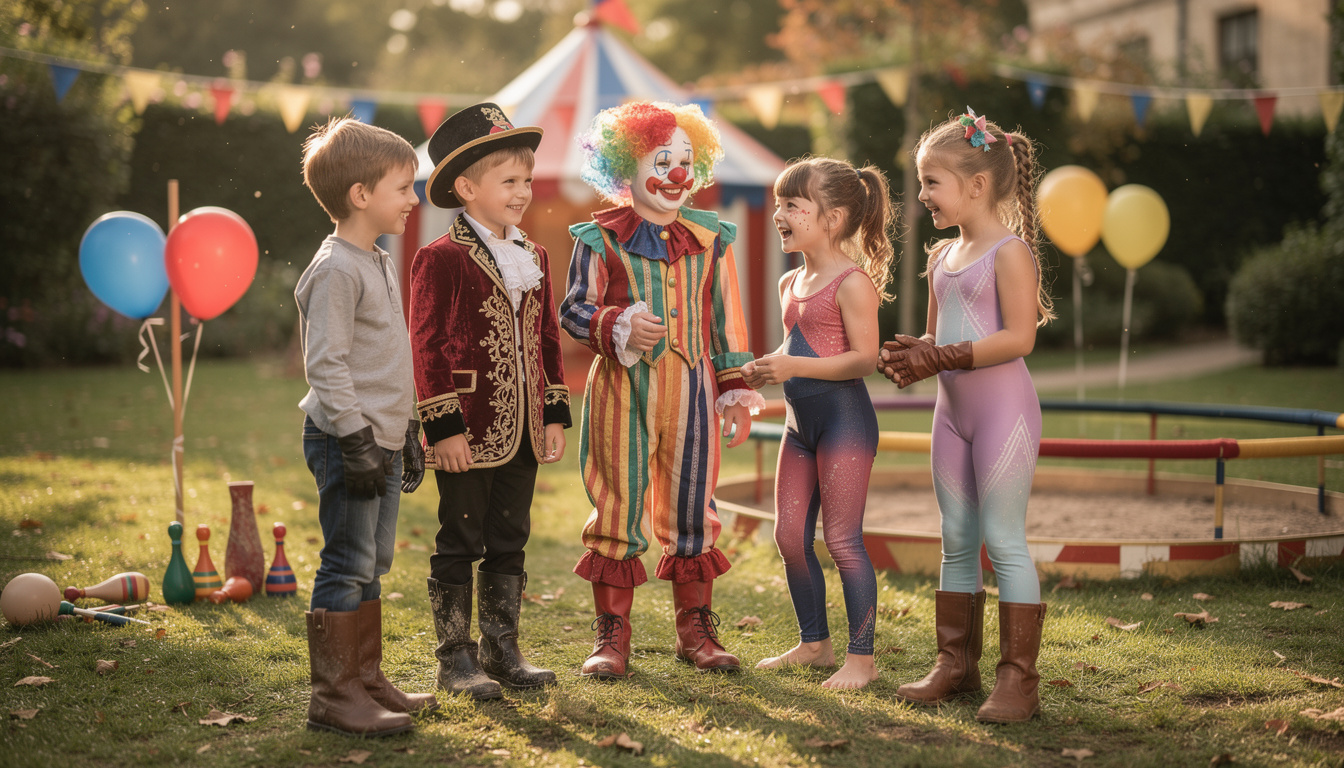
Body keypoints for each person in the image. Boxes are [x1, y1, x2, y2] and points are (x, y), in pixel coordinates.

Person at [559, 101, 765, 679]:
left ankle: (695, 630)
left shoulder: (712, 238)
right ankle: (612, 636)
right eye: (662, 159)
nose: (678, 173)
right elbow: (573, 309)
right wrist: (617, 323)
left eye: (686, 160)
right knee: (617, 504)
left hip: (695, 391)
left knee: (694, 504)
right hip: (621, 390)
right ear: (624, 169)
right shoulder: (598, 238)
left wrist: (733, 388)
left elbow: (727, 319)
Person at [877, 108, 1055, 723]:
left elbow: (1020, 339)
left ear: (976, 185)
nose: (922, 194)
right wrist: (917, 351)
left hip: (1004, 413)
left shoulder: (1010, 253)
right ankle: (955, 664)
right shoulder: (942, 256)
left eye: (932, 182)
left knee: (1004, 541)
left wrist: (945, 354)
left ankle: (1018, 681)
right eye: (923, 182)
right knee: (956, 539)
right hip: (950, 416)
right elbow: (936, 337)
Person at [409, 103, 571, 701]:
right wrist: (443, 427)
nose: (524, 191)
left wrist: (554, 413)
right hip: (469, 432)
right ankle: (455, 657)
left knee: (511, 538)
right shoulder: (440, 258)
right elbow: (426, 347)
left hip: (524, 430)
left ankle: (503, 649)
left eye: (527, 180)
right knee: (460, 539)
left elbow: (547, 337)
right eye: (510, 181)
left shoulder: (535, 255)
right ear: (466, 188)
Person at [295, 116, 438, 736]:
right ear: (361, 195)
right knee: (346, 562)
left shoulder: (377, 259)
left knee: (373, 561)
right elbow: (325, 363)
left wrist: (405, 428)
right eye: (404, 187)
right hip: (345, 441)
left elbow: (387, 354)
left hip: (380, 439)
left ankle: (366, 678)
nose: (415, 198)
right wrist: (355, 439)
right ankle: (333, 696)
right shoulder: (335, 269)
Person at [743, 157, 896, 690]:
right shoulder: (790, 281)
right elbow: (796, 348)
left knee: (842, 539)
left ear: (831, 218)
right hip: (798, 426)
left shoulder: (853, 283)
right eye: (780, 204)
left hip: (845, 423)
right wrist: (766, 365)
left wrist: (794, 365)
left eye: (792, 205)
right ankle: (815, 644)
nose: (779, 214)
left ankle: (862, 659)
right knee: (789, 536)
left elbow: (863, 358)